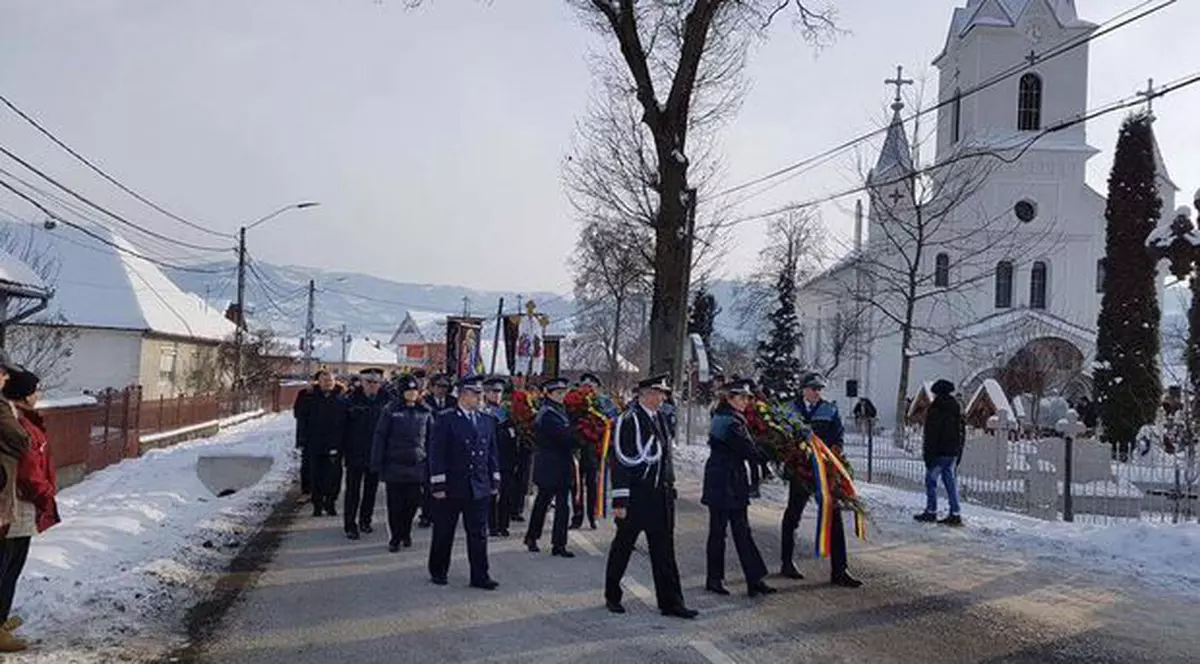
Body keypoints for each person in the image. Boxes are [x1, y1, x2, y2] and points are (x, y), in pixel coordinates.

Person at [605, 375, 697, 619]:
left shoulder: (661, 418)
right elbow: (621, 462)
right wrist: (620, 500)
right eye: (659, 393)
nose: (663, 397)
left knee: (664, 550)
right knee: (623, 546)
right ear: (644, 394)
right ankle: (612, 595)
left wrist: (670, 485)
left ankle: (671, 602)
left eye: (664, 393)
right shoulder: (629, 420)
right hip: (636, 496)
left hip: (660, 495)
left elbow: (664, 457)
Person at [781, 372, 862, 588]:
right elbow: (781, 438)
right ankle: (786, 561)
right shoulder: (789, 409)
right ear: (803, 389)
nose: (817, 392)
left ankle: (840, 569)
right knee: (793, 514)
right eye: (813, 388)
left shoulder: (829, 409)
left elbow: (838, 438)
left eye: (819, 389)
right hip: (800, 471)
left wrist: (834, 455)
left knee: (833, 515)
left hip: (824, 471)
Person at [703, 379, 775, 598]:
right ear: (730, 399)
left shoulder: (728, 417)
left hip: (728, 480)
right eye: (742, 398)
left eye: (747, 398)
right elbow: (748, 450)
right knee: (721, 532)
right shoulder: (729, 422)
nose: (746, 402)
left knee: (739, 531)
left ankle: (753, 578)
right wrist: (773, 450)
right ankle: (716, 579)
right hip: (724, 480)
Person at [0, 367, 55, 653]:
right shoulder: (15, 422)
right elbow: (28, 468)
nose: (39, 394)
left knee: (11, 565)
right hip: (16, 502)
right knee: (7, 565)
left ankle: (2, 617)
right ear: (24, 394)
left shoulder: (17, 418)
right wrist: (45, 495)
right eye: (36, 389)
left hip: (19, 501)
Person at [427, 376, 500, 590]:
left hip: (478, 485)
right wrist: (438, 485)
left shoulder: (486, 420)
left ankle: (480, 575)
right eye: (475, 394)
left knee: (478, 533)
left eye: (480, 394)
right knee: (444, 531)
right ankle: (438, 570)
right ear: (462, 395)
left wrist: (494, 479)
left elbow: (492, 453)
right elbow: (436, 454)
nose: (480, 397)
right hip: (452, 486)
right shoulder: (446, 419)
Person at [372, 374, 434, 552]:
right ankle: (395, 537)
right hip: (395, 466)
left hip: (417, 466)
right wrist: (377, 462)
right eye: (408, 391)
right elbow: (380, 436)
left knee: (412, 503)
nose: (412, 394)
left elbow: (432, 439)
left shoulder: (425, 412)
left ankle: (405, 531)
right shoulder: (390, 410)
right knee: (395, 505)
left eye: (415, 390)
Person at [524, 377, 577, 557]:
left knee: (563, 505)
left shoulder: (561, 410)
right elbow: (564, 437)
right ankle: (532, 536)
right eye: (558, 393)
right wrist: (581, 435)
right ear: (549, 394)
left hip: (562, 464)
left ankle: (559, 544)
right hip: (549, 464)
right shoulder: (547, 414)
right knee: (543, 503)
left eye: (563, 393)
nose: (562, 396)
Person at [341, 369, 387, 539]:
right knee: (353, 491)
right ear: (362, 382)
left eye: (376, 382)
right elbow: (342, 427)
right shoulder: (351, 400)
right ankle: (350, 524)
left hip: (376, 453)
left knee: (371, 490)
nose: (373, 385)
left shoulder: (387, 400)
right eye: (369, 382)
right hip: (355, 452)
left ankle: (365, 521)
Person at [915, 379, 965, 526]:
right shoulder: (956, 407)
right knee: (950, 481)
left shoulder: (936, 408)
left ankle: (931, 511)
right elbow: (961, 431)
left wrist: (928, 455)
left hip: (938, 452)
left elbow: (932, 433)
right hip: (952, 452)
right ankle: (955, 512)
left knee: (931, 481)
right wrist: (958, 450)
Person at [298, 370, 347, 517]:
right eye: (324, 380)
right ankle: (317, 504)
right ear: (318, 382)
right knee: (316, 475)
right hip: (315, 443)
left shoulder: (342, 398)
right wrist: (302, 440)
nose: (328, 383)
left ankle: (330, 502)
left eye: (330, 380)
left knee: (334, 476)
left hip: (335, 443)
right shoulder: (310, 397)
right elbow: (302, 420)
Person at [481, 377, 517, 537]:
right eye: (493, 392)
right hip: (491, 460)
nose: (497, 395)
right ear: (486, 393)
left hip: (507, 459)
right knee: (492, 494)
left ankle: (504, 524)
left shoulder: (506, 412)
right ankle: (492, 525)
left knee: (507, 493)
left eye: (499, 392)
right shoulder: (483, 413)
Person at [571, 373, 603, 531]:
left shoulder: (601, 404)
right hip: (577, 448)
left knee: (592, 485)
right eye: (585, 386)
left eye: (591, 387)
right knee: (576, 485)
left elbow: (607, 423)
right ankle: (577, 516)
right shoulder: (574, 402)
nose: (588, 390)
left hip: (592, 451)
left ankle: (592, 516)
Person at [292, 372, 321, 499]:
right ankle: (306, 491)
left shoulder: (332, 394)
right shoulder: (305, 394)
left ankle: (321, 491)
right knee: (307, 464)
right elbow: (297, 413)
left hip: (326, 436)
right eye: (319, 380)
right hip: (308, 434)